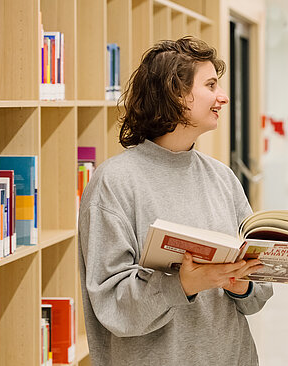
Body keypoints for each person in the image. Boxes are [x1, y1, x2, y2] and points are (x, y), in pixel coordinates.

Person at [78, 37, 273, 366]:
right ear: (176, 94)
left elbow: (259, 291)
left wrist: (242, 285)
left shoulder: (222, 178)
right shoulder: (114, 183)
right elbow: (111, 305)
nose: (222, 97)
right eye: (210, 85)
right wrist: (183, 284)